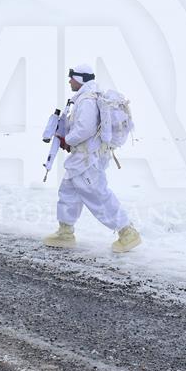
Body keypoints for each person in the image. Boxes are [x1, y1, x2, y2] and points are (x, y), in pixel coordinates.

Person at [43, 64, 141, 253]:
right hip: (80, 159)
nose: (69, 81)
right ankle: (65, 232)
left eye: (72, 77)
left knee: (97, 195)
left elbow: (85, 128)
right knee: (68, 192)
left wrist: (67, 140)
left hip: (88, 160)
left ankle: (127, 232)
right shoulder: (85, 97)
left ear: (80, 79)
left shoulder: (87, 100)